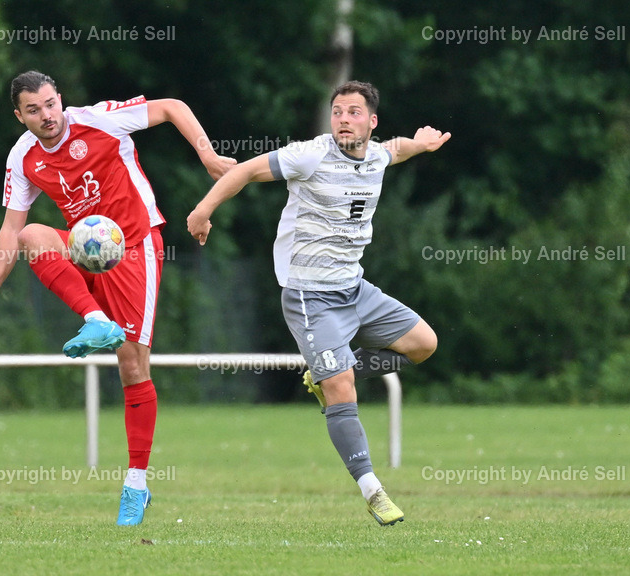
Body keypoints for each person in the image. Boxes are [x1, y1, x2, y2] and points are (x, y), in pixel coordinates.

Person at [0, 71, 235, 526]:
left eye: (50, 104)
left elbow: (171, 105)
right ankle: (95, 319)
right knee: (35, 233)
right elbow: (12, 228)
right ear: (19, 116)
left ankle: (136, 482)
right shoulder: (23, 157)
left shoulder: (99, 120)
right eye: (33, 110)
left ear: (61, 100)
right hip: (87, 248)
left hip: (135, 249)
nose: (46, 116)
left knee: (131, 365)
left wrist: (208, 156)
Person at [187, 80, 449, 526]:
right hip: (311, 294)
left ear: (371, 121)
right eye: (337, 112)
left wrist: (421, 144)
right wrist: (203, 210)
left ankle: (326, 372)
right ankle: (374, 492)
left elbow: (396, 149)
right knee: (341, 386)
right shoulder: (310, 154)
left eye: (353, 112)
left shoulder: (377, 155)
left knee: (424, 344)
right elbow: (245, 171)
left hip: (356, 288)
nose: (343, 119)